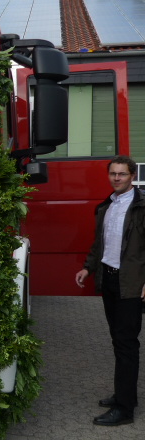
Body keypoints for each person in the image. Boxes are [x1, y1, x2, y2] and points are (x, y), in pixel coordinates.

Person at [75, 155, 145, 426]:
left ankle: (124, 410)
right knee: (118, 341)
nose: (117, 178)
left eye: (122, 174)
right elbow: (99, 244)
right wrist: (88, 268)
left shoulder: (141, 206)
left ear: (132, 176)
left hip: (131, 284)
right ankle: (124, 395)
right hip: (110, 280)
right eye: (113, 174)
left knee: (126, 344)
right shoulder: (107, 206)